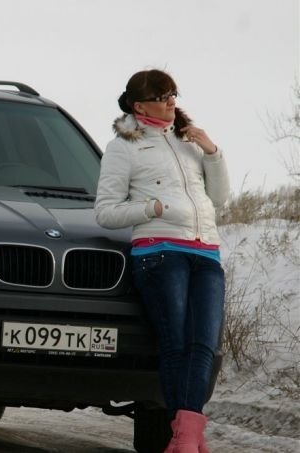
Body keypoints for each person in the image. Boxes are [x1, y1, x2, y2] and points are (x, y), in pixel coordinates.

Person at [94, 69, 229, 453]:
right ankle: (187, 438)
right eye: (162, 95)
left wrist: (212, 152)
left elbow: (219, 199)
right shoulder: (124, 147)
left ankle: (185, 434)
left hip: (205, 252)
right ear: (140, 105)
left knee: (202, 344)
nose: (172, 101)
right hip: (159, 253)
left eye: (173, 93)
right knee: (177, 345)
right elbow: (105, 212)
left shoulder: (188, 142)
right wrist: (152, 207)